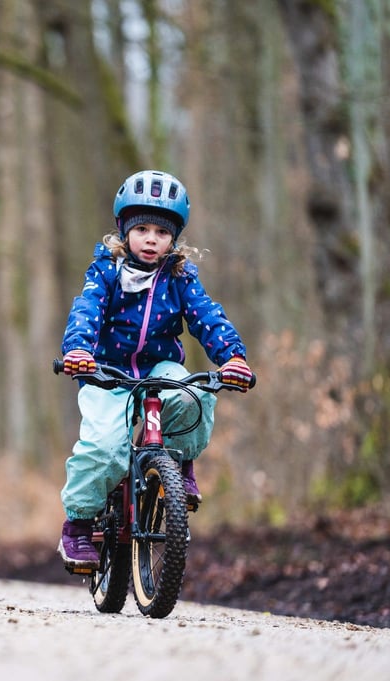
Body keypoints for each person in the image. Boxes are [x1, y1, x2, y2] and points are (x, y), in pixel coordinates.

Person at [56, 170, 254, 568]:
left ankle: (177, 467)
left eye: (161, 233)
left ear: (174, 238)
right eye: (142, 228)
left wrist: (231, 356)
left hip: (159, 369)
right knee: (103, 448)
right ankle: (77, 526)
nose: (151, 239)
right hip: (106, 372)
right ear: (124, 230)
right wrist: (79, 350)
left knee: (193, 395)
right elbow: (86, 311)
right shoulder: (106, 273)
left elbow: (206, 317)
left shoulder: (180, 278)